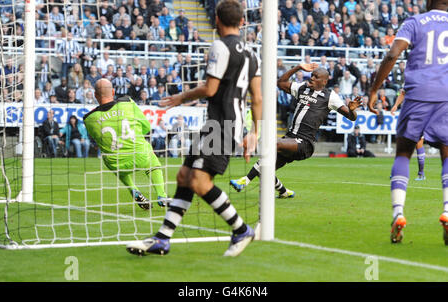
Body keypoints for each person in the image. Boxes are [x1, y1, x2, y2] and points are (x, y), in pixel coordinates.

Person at [126, 0, 262, 257]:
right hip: (227, 125)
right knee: (184, 177)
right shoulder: (253, 54)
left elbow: (210, 89)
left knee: (199, 181)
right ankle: (163, 238)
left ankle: (241, 229)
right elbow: (258, 98)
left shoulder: (220, 47)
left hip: (221, 125)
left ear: (217, 21)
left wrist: (181, 97)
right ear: (242, 22)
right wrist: (255, 132)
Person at [368, 1, 448, 245]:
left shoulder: (414, 22)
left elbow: (393, 54)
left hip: (417, 94)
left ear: (428, 2)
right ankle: (447, 210)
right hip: (446, 96)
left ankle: (398, 213)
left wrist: (374, 90)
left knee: (403, 153)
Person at [230, 63, 362, 198]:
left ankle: (244, 181)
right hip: (290, 138)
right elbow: (280, 83)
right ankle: (284, 192)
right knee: (265, 170)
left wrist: (352, 110)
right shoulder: (302, 88)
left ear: (324, 81)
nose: (311, 78)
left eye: (316, 77)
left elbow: (351, 117)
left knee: (273, 144)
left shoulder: (330, 96)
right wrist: (298, 67)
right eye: (311, 75)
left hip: (304, 143)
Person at [83, 79, 169, 212]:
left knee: (110, 158)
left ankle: (133, 190)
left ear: (95, 95)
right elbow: (146, 127)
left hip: (116, 162)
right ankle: (161, 195)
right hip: (139, 155)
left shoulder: (89, 118)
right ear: (113, 91)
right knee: (152, 160)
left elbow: (97, 142)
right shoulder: (127, 103)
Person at [391, 90, 426, 181]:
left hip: (420, 115)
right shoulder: (410, 79)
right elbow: (402, 93)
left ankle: (421, 173)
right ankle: (398, 171)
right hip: (407, 115)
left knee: (418, 142)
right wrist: (396, 105)